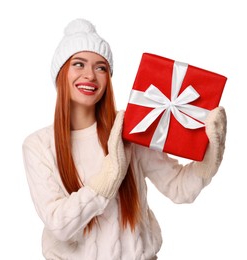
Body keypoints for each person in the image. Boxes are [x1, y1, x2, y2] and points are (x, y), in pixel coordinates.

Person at [22, 18, 227, 260]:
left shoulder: (129, 129)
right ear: (61, 74)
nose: (90, 75)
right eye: (79, 64)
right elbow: (58, 224)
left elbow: (178, 188)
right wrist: (108, 179)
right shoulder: (38, 145)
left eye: (101, 68)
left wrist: (210, 159)